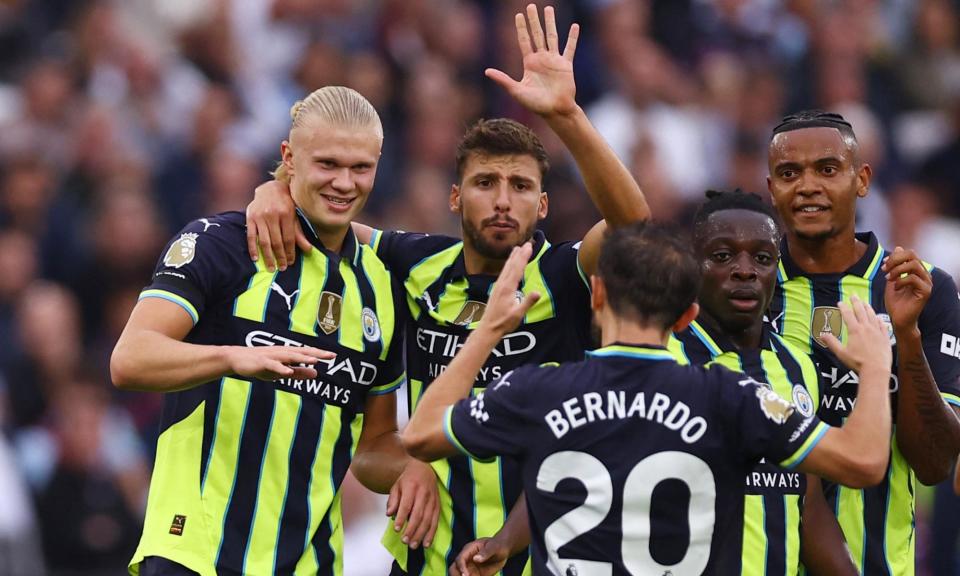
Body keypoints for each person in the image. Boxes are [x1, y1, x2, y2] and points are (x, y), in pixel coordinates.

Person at [244, 5, 649, 575]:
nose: (503, 200)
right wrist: (274, 188)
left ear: (544, 204)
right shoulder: (415, 265)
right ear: (456, 198)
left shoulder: (563, 274)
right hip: (424, 553)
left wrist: (567, 115)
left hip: (543, 552)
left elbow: (634, 228)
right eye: (485, 183)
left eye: (521, 185)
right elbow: (319, 212)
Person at [402, 221, 892, 575]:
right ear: (687, 317)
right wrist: (874, 368)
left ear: (596, 295)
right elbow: (865, 461)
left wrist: (488, 329)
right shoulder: (732, 395)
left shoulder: (540, 389)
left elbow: (421, 434)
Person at [110, 86, 438, 576]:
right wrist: (231, 357)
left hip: (310, 563)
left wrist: (418, 469)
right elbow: (129, 359)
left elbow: (371, 447)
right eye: (327, 163)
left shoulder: (382, 289)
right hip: (197, 553)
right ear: (290, 157)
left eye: (360, 168)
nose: (344, 183)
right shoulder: (222, 245)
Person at [766, 110, 960, 575]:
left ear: (862, 180)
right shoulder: (746, 292)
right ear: (771, 189)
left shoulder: (922, 287)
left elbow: (935, 465)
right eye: (789, 173)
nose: (808, 185)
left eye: (828, 169)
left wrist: (907, 339)